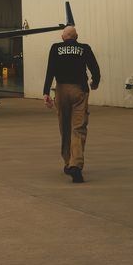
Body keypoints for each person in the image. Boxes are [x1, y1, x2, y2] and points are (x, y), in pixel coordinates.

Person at [42, 27, 101, 183]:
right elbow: (95, 69)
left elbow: (50, 70)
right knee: (78, 127)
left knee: (65, 127)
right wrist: (95, 82)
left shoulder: (55, 48)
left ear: (63, 37)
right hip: (79, 90)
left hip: (61, 90)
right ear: (76, 37)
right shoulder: (84, 48)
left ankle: (68, 161)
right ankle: (76, 164)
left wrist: (46, 92)